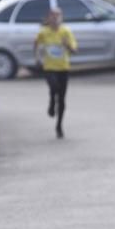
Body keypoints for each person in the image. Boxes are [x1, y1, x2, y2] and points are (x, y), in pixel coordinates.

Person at [34, 8, 78, 138]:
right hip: (49, 67)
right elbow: (36, 44)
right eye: (52, 16)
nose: (55, 19)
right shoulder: (44, 33)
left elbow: (75, 50)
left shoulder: (66, 32)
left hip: (63, 67)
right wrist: (37, 58)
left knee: (62, 98)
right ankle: (52, 102)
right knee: (54, 87)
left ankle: (59, 125)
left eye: (58, 16)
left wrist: (67, 45)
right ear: (48, 19)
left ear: (61, 18)